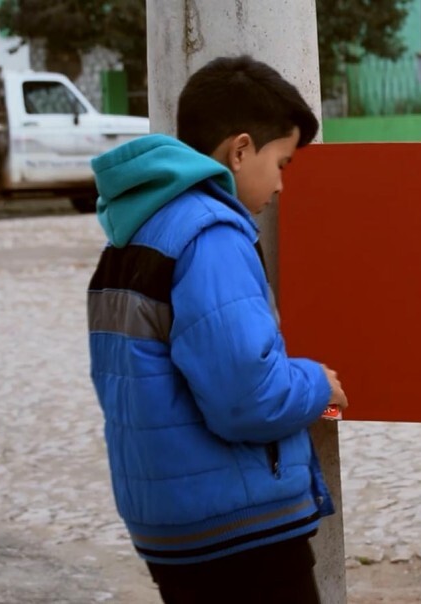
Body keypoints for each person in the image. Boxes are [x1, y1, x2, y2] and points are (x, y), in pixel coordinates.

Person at [86, 55, 349, 603]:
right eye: (282, 163)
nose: (281, 186)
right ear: (241, 148)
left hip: (172, 521)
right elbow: (246, 398)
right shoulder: (212, 235)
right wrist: (318, 384)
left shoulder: (135, 231)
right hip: (236, 529)